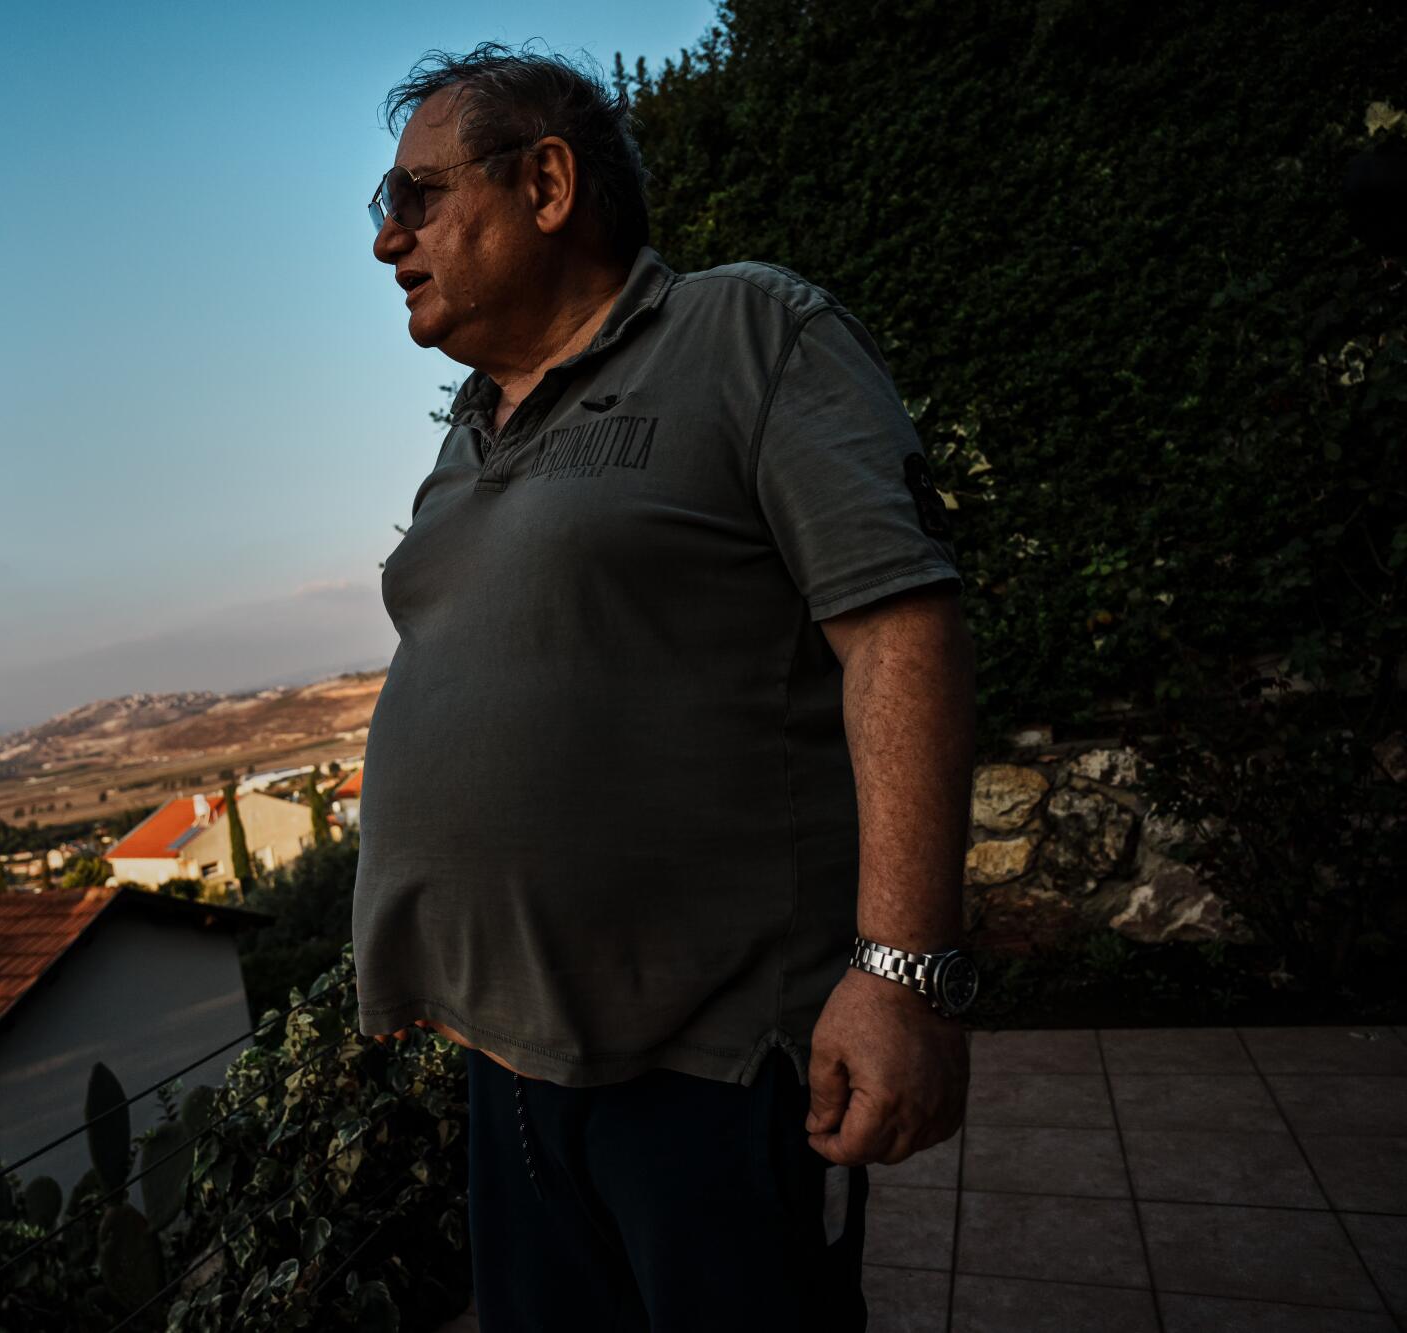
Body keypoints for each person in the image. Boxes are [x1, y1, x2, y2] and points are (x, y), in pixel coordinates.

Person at [350, 43, 978, 1332]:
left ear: (548, 183)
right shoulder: (469, 438)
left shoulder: (747, 332)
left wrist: (904, 974)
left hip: (710, 1068)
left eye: (413, 196)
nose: (386, 239)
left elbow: (899, 629)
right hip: (503, 1068)